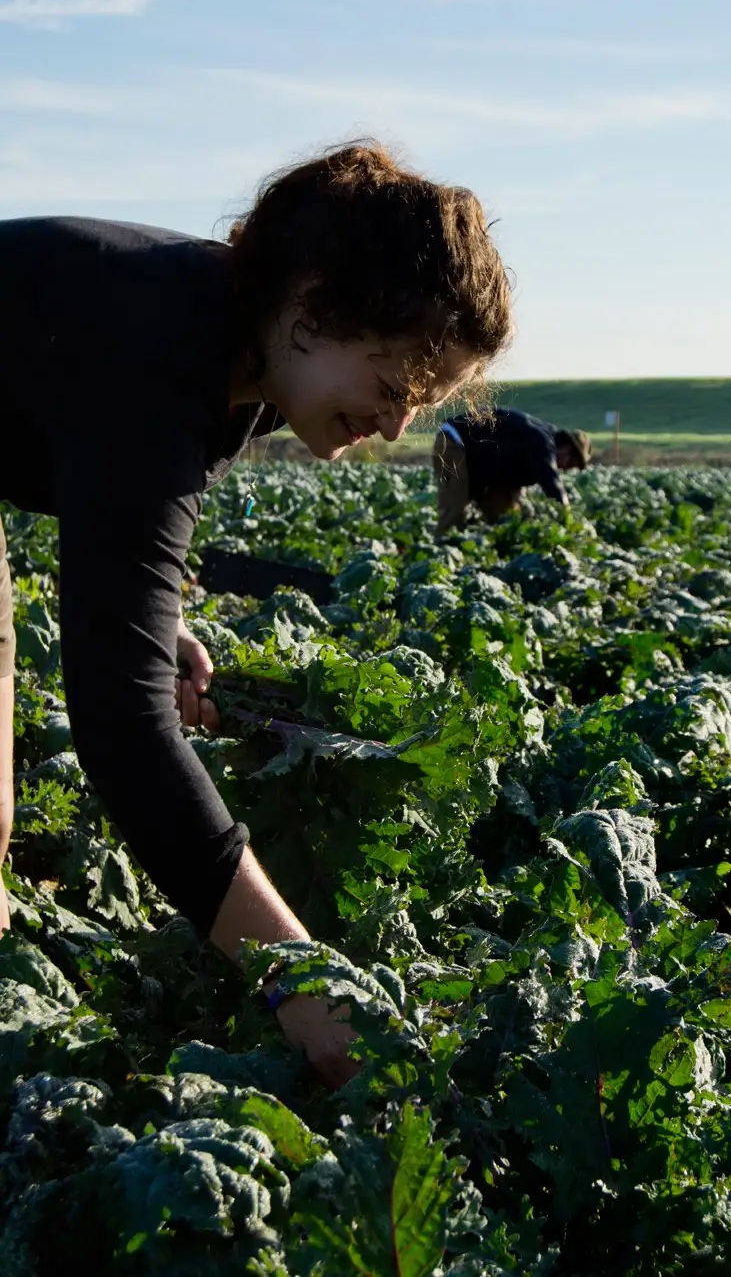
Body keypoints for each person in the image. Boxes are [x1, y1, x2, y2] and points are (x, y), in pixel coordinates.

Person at [0, 140, 513, 1086]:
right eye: (396, 383)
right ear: (316, 304)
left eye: (425, 402)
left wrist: (158, 627)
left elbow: (116, 503)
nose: (399, 426)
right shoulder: (158, 351)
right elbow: (124, 734)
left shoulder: (245, 355)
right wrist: (304, 990)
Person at [433, 407, 590, 537]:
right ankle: (441, 557)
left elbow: (512, 481)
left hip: (478, 461)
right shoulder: (542, 442)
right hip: (454, 442)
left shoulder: (535, 447)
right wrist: (566, 516)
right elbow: (551, 481)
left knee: (506, 514)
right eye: (569, 463)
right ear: (566, 449)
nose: (564, 468)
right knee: (454, 511)